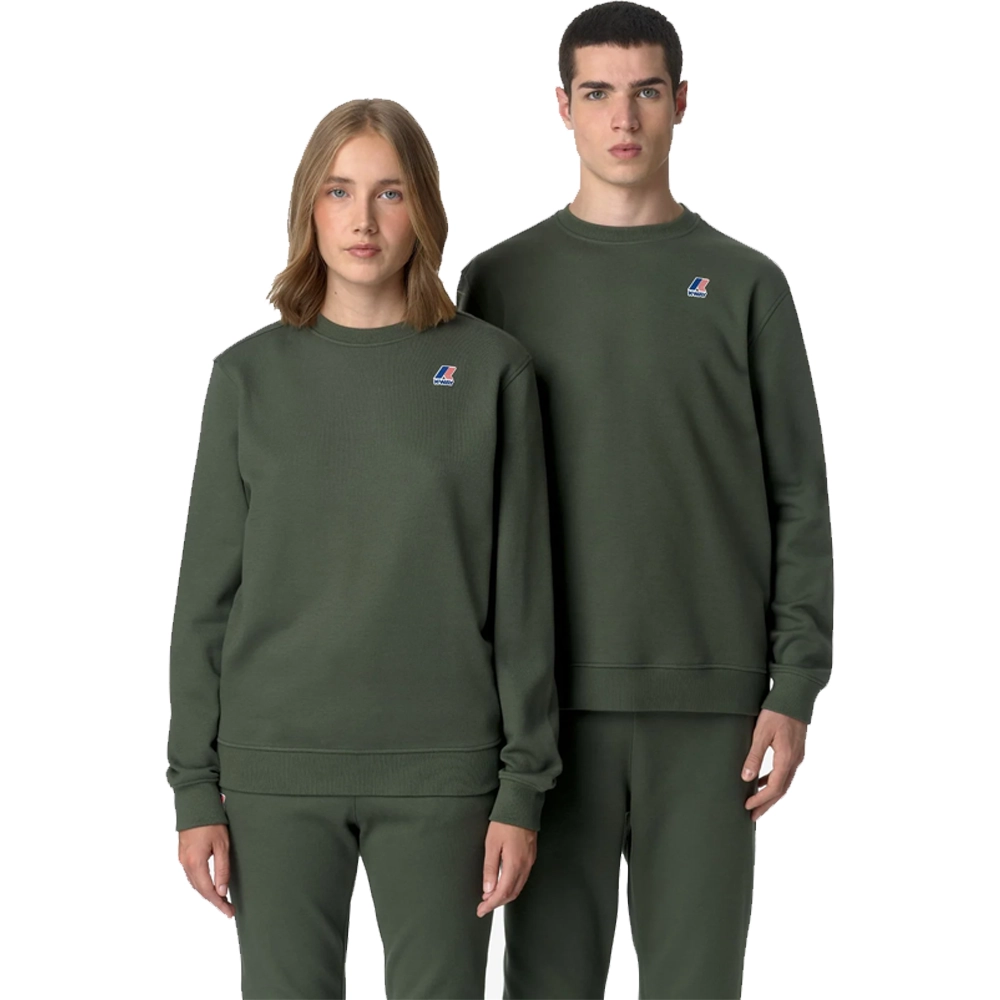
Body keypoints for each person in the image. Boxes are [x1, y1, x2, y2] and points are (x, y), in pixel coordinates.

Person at [456, 3, 834, 998]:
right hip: (544, 718)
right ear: (562, 107)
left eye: (645, 92)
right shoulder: (498, 282)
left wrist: (794, 685)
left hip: (711, 711)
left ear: (680, 102)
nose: (622, 118)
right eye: (597, 93)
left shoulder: (746, 285)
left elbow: (798, 494)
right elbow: (460, 507)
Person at [165, 97, 562, 1000]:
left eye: (390, 192)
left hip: (445, 770)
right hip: (274, 772)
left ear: (423, 208)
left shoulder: (492, 370)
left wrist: (522, 788)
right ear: (308, 206)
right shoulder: (247, 377)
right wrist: (193, 787)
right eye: (339, 191)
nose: (363, 219)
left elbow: (524, 598)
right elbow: (204, 602)